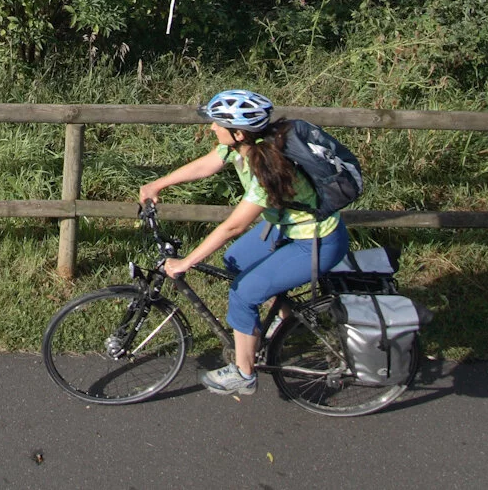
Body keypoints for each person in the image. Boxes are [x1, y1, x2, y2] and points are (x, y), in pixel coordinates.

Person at [137, 88, 350, 398]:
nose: (211, 128)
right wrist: (157, 184)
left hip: (316, 242)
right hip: (287, 228)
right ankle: (289, 320)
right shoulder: (242, 147)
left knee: (242, 293)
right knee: (235, 261)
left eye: (217, 124)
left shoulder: (268, 168)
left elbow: (233, 226)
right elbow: (205, 165)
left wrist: (186, 262)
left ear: (238, 132)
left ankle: (244, 374)